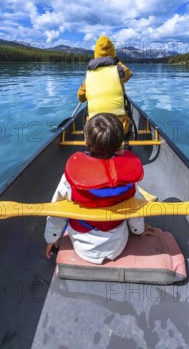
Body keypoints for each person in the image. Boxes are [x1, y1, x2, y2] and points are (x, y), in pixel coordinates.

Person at [45, 113, 153, 263]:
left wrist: (52, 238)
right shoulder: (128, 178)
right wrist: (138, 230)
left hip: (83, 248)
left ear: (85, 141)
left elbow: (57, 209)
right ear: (120, 145)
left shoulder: (71, 177)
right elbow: (135, 209)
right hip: (117, 245)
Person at [77, 35, 133, 135]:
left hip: (95, 129)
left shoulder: (89, 73)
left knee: (87, 110)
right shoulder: (119, 69)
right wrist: (116, 60)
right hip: (119, 128)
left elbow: (81, 97)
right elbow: (129, 75)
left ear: (96, 54)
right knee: (126, 111)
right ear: (113, 53)